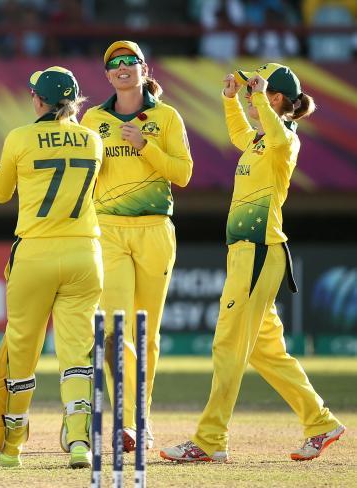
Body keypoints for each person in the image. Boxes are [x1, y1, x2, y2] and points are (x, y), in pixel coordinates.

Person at [160, 63, 345, 462]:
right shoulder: (262, 140)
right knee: (265, 352)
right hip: (248, 252)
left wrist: (256, 97)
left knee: (227, 345)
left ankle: (210, 439)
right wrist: (230, 101)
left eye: (256, 90)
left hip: (258, 250)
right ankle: (321, 422)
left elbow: (277, 135)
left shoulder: (286, 140)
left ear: (276, 98)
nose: (249, 93)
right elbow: (241, 134)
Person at [0, 66, 104, 469]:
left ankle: (12, 445)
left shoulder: (20, 137)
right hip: (84, 254)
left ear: (37, 100)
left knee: (20, 350)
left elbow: (3, 192)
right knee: (78, 353)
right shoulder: (93, 140)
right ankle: (78, 441)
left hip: (35, 253)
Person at [80, 40, 193, 451]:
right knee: (117, 329)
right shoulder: (92, 118)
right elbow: (82, 172)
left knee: (148, 333)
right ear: (107, 75)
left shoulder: (165, 117)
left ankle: (141, 420)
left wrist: (146, 147)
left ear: (144, 69)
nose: (124, 67)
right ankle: (127, 422)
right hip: (108, 230)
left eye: (131, 61)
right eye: (115, 63)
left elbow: (182, 174)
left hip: (155, 231)